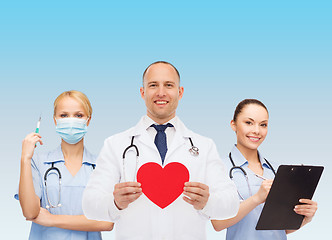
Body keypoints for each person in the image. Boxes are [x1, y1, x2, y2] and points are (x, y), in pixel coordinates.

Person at [82, 61, 239, 240]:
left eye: (169, 85)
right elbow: (89, 204)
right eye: (153, 85)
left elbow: (231, 204)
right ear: (142, 92)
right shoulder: (116, 144)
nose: (161, 92)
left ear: (180, 92)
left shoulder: (204, 145)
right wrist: (115, 202)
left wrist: (207, 202)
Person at [211, 99, 318, 240]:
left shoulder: (277, 171)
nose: (256, 130)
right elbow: (217, 223)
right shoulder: (219, 169)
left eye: (263, 125)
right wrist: (256, 198)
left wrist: (305, 218)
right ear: (233, 124)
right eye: (249, 123)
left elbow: (279, 229)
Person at [16, 90, 113, 240]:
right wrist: (25, 158)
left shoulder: (102, 166)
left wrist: (52, 220)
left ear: (88, 120)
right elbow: (30, 212)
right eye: (64, 115)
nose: (71, 120)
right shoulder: (38, 162)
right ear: (55, 120)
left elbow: (106, 222)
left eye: (78, 115)